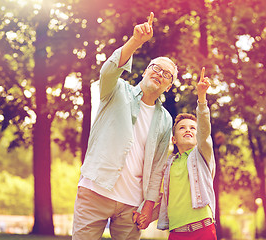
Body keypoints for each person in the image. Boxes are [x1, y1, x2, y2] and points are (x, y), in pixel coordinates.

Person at [72, 12, 178, 240]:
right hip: (95, 191)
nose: (159, 74)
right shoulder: (116, 90)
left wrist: (149, 204)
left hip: (132, 205)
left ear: (169, 86)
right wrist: (136, 41)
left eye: (167, 75)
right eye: (156, 68)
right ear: (146, 70)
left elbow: (159, 166)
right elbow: (108, 70)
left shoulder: (166, 120)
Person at [136, 67, 216, 239]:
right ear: (174, 139)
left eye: (192, 128)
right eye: (182, 128)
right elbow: (167, 201)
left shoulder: (202, 156)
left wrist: (201, 98)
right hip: (176, 232)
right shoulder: (168, 165)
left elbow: (204, 131)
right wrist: (147, 216)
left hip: (203, 229)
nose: (188, 130)